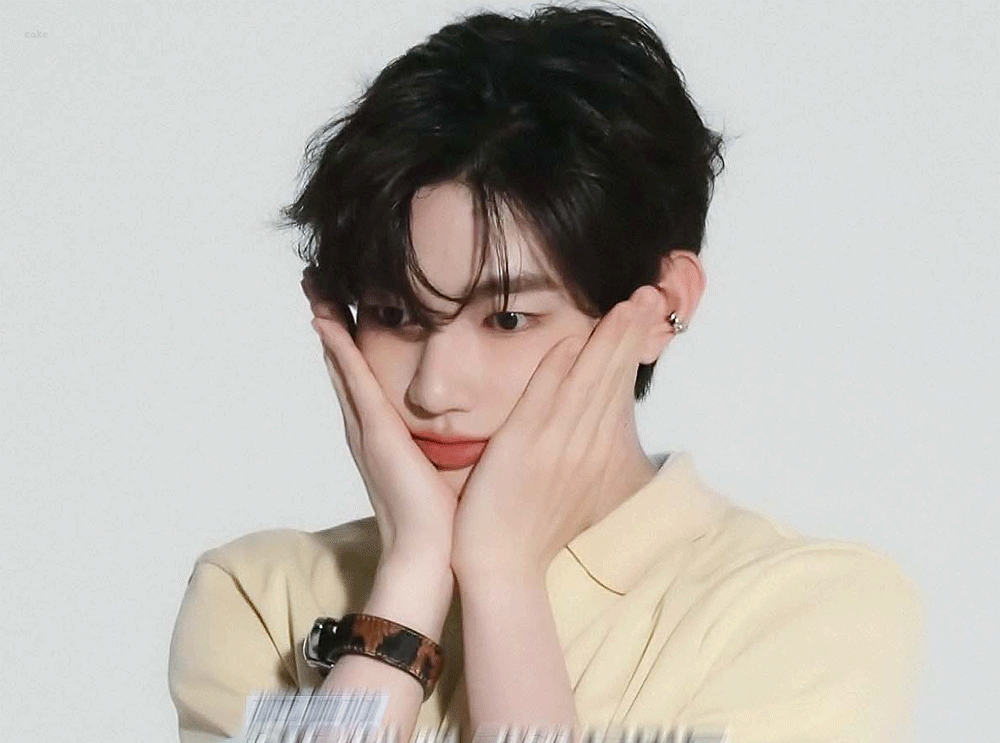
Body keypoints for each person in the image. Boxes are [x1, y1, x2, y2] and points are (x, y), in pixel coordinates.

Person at [167, 5, 923, 743]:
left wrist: (503, 578)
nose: (433, 390)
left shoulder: (805, 611)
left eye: (506, 319)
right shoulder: (261, 598)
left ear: (661, 307)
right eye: (394, 314)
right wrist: (409, 578)